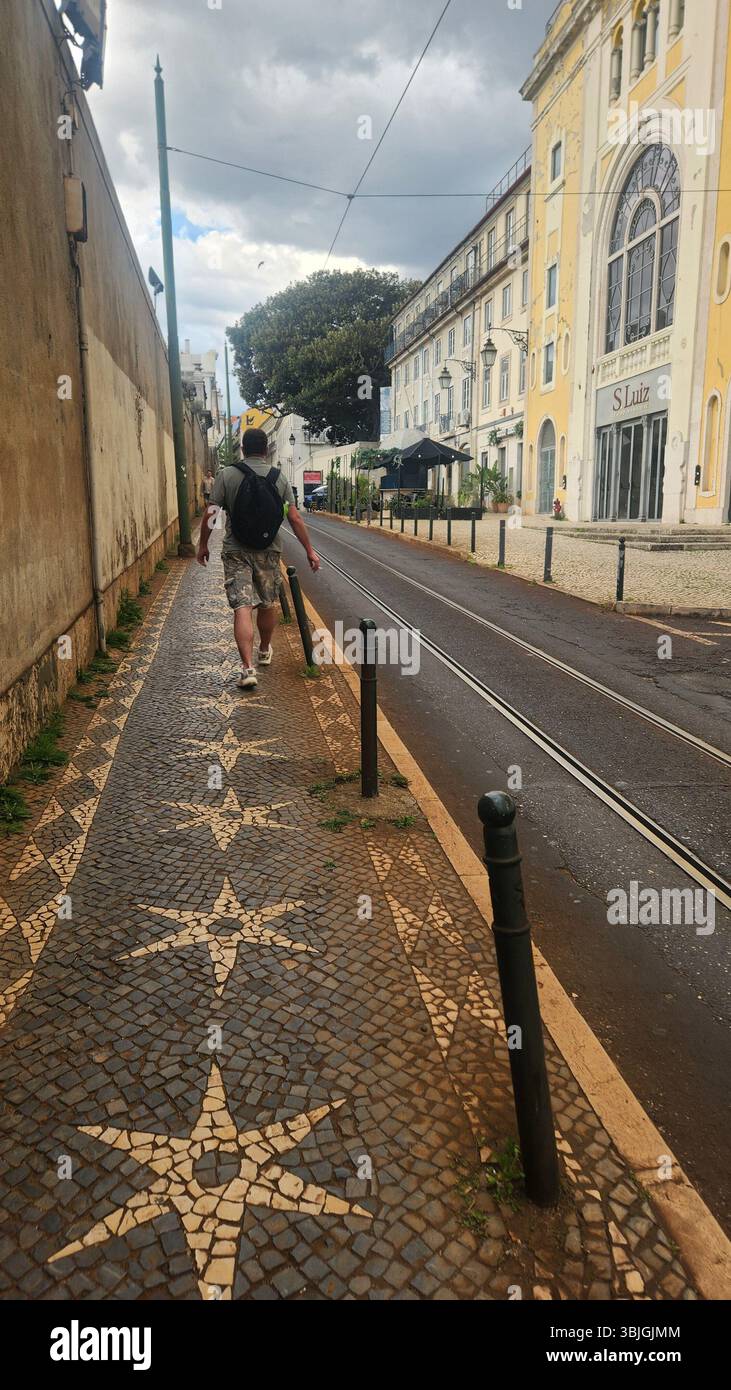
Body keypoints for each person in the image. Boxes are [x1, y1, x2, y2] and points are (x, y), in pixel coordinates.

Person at [197, 427, 320, 690]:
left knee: (242, 607)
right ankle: (264, 649)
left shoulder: (226, 475)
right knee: (267, 602)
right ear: (266, 450)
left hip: (236, 551)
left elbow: (212, 513)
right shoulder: (280, 478)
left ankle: (247, 668)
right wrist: (309, 550)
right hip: (269, 550)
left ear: (242, 449)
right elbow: (294, 517)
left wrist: (202, 545)